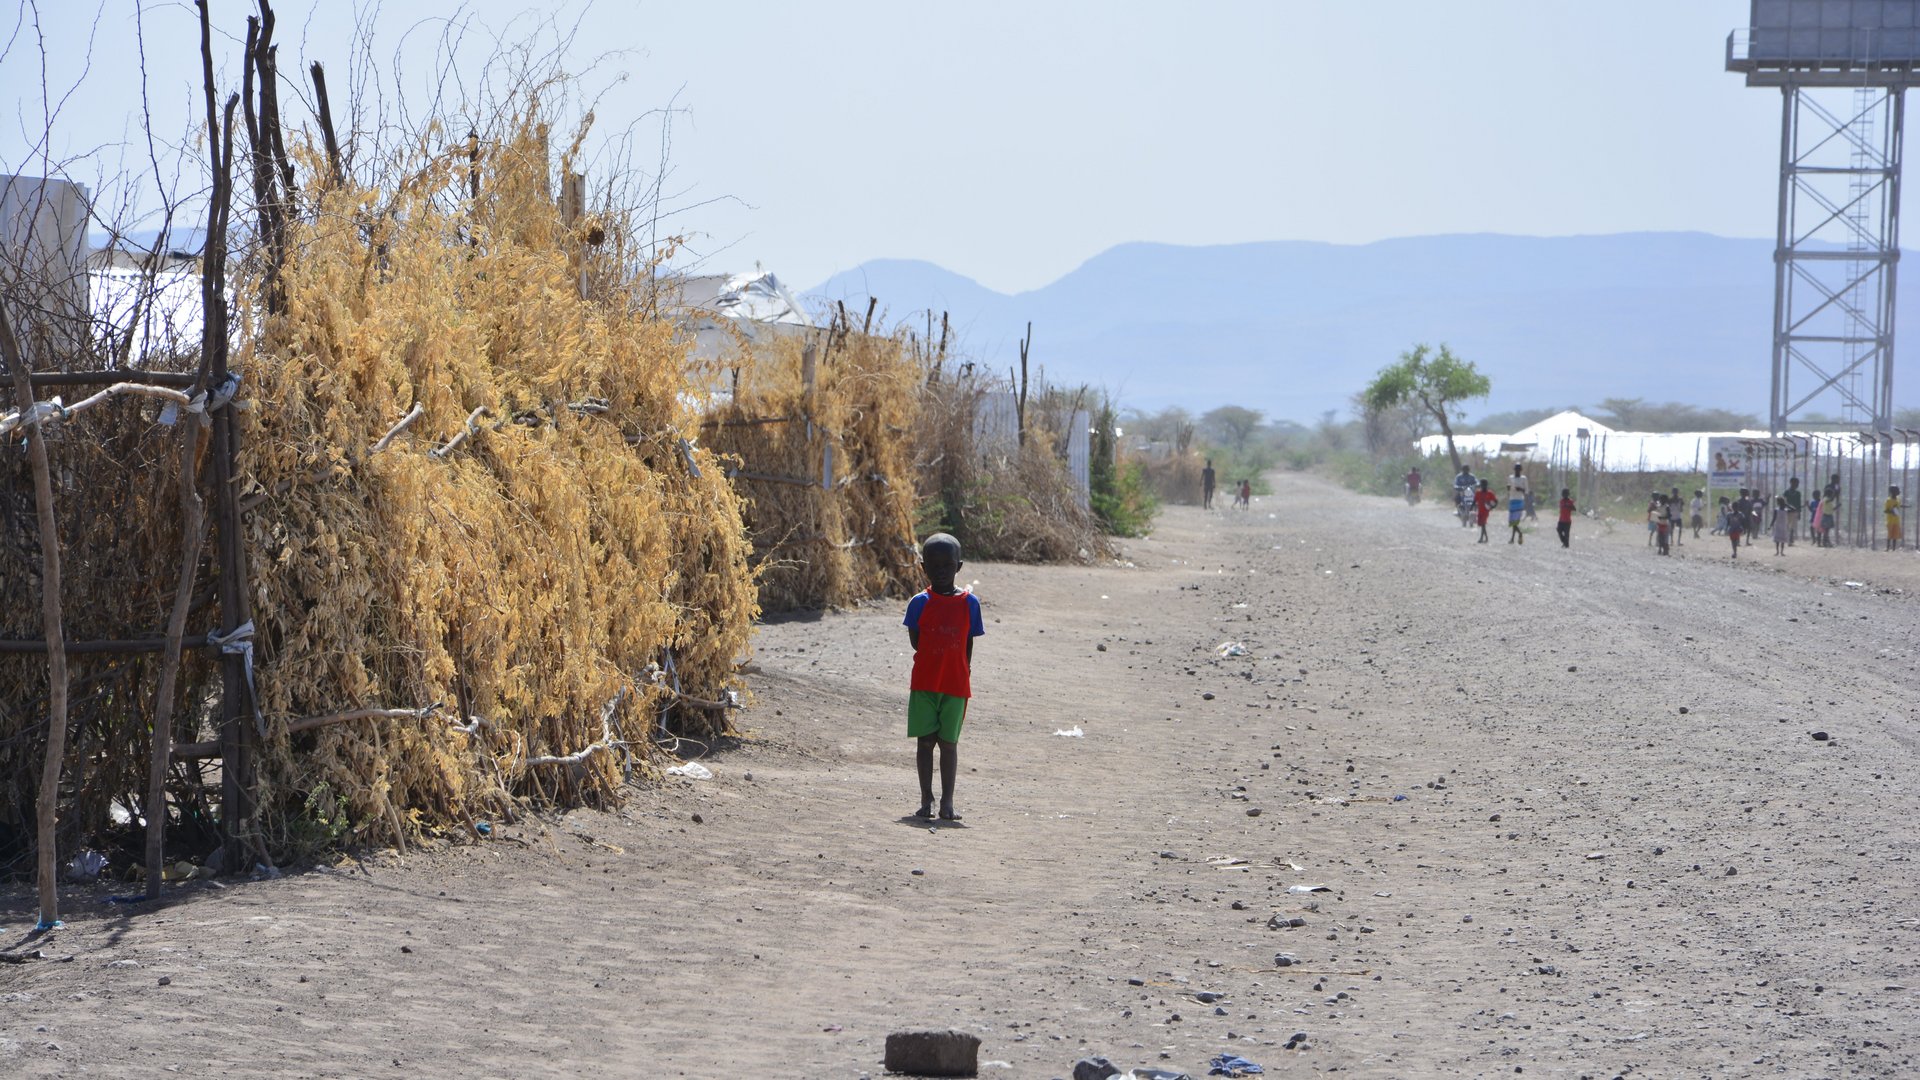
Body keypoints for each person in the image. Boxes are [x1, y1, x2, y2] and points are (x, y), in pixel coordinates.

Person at [903, 533, 984, 822]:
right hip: (925, 684)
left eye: (947, 566)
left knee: (948, 744)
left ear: (958, 567)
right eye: (934, 565)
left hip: (955, 686)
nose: (941, 571)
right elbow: (917, 642)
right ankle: (926, 799)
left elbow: (968, 643)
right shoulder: (918, 603)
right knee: (925, 742)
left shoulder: (969, 604)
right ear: (923, 567)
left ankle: (947, 803)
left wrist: (961, 671)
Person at [1473, 478, 1497, 543]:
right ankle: (1486, 538)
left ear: (1487, 485)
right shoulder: (1478, 493)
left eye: (1485, 485)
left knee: (1483, 524)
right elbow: (1474, 500)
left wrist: (1492, 507)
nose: (1483, 486)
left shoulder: (1490, 493)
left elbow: (1495, 501)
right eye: (1482, 485)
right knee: (1481, 524)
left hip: (1486, 511)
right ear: (1480, 485)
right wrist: (1471, 507)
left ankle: (1482, 538)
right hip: (1480, 511)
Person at [1784, 477, 1803, 546]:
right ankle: (1787, 539)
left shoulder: (1798, 493)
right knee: (1787, 525)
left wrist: (1799, 512)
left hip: (1795, 512)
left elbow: (1799, 503)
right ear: (1791, 483)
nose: (1797, 485)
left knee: (1792, 526)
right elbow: (1784, 501)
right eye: (1796, 483)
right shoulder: (1786, 492)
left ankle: (1790, 539)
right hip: (1788, 511)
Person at [1726, 493, 1745, 558]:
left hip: (1737, 529)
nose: (1734, 508)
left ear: (1737, 507)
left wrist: (1743, 528)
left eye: (1736, 507)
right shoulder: (1729, 514)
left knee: (1736, 541)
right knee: (1733, 542)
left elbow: (1742, 522)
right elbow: (1728, 522)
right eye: (1733, 507)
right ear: (1732, 508)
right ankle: (1734, 552)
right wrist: (1726, 528)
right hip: (1731, 530)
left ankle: (1735, 551)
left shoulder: (1740, 514)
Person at [1887, 486, 1905, 551]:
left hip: (1896, 521)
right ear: (1893, 492)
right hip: (1890, 521)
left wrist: (1905, 506)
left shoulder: (1898, 499)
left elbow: (1899, 505)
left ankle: (1894, 549)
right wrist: (1892, 511)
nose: (1899, 492)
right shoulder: (1888, 500)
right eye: (1897, 491)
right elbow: (1885, 510)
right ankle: (1887, 548)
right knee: (1890, 534)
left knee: (1895, 535)